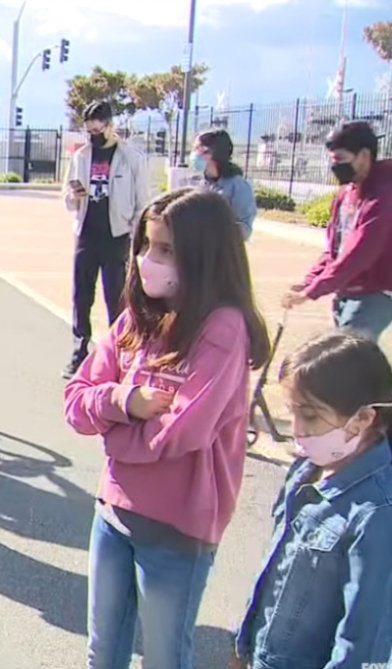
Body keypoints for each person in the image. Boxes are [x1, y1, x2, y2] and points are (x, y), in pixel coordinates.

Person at [64, 188, 271, 669]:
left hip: (178, 528)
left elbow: (184, 432)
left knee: (163, 657)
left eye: (165, 250)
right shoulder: (136, 319)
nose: (145, 259)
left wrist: (114, 430)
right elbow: (76, 402)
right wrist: (124, 401)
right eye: (145, 245)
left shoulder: (223, 328)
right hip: (113, 513)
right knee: (102, 652)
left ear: (203, 255)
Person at [232, 332, 392, 669]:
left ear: (364, 418)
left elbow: (364, 640)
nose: (297, 429)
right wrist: (242, 649)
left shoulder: (377, 513)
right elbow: (276, 569)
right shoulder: (306, 469)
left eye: (311, 415)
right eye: (292, 412)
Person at [64, 100, 150, 379]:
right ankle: (80, 349)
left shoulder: (131, 157)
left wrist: (137, 235)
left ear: (111, 126)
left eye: (98, 130)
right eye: (89, 131)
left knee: (116, 296)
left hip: (116, 235)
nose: (94, 136)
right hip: (86, 232)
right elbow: (67, 195)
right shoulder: (82, 157)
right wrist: (73, 198)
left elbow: (142, 202)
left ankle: (118, 353)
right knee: (81, 294)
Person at [282, 121, 392, 340]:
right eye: (332, 160)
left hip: (376, 292)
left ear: (363, 156)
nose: (335, 167)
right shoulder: (345, 193)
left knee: (347, 354)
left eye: (340, 159)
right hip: (344, 290)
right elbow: (334, 249)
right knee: (355, 359)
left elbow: (359, 254)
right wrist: (310, 279)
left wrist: (313, 291)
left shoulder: (382, 197)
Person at [192, 129, 257, 240]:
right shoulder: (197, 184)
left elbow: (245, 229)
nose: (194, 155)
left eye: (199, 149)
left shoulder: (238, 186)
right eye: (194, 150)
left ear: (213, 152)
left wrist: (213, 229)